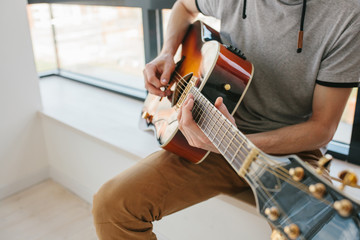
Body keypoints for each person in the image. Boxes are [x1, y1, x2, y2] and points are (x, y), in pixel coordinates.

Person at [92, 0, 360, 239]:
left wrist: (233, 142)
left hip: (294, 152)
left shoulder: (347, 14)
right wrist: (166, 53)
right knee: (111, 206)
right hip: (213, 138)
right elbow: (184, 7)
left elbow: (322, 128)